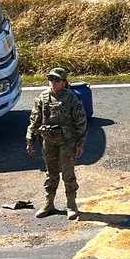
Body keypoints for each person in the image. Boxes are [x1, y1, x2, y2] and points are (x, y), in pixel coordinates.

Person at [26, 67, 87, 220]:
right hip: (49, 141)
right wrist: (30, 140)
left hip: (67, 142)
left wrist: (80, 143)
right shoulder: (43, 97)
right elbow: (35, 120)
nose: (52, 82)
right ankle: (49, 203)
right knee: (51, 173)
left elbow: (81, 121)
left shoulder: (71, 98)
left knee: (68, 174)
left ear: (64, 82)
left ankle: (71, 204)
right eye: (51, 79)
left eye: (56, 80)